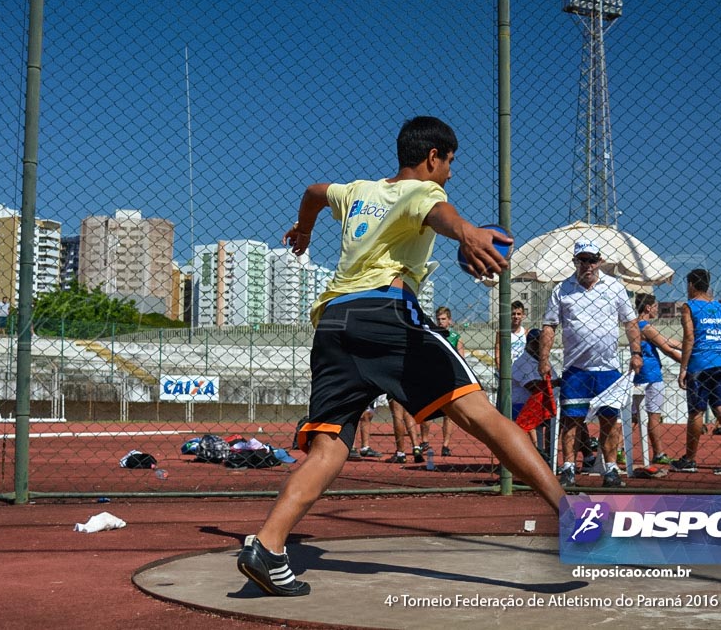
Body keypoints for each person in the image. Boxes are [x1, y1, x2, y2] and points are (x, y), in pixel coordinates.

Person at [236, 116, 564, 596]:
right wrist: (470, 233)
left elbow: (312, 191)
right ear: (433, 157)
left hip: (332, 324)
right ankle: (574, 514)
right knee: (485, 418)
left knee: (328, 447)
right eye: (450, 163)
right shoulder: (424, 194)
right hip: (385, 315)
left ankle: (267, 545)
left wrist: (303, 232)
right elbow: (442, 215)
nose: (451, 173)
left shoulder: (356, 191)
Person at [538, 239, 642, 489]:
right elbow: (550, 325)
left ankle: (611, 470)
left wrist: (636, 352)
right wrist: (544, 359)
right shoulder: (562, 290)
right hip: (575, 370)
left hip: (608, 370)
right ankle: (568, 469)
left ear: (600, 261)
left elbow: (630, 322)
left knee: (610, 421)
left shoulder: (615, 287)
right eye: (582, 260)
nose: (587, 265)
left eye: (592, 259)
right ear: (575, 262)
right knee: (571, 421)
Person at [672, 269, 721, 475]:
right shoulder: (719, 307)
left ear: (690, 285)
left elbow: (689, 338)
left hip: (700, 363)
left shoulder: (689, 307)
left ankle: (690, 459)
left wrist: (684, 368)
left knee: (696, 411)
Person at [631, 294, 681, 466]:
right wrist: (687, 361)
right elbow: (666, 347)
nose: (657, 310)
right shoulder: (645, 327)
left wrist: (689, 345)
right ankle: (658, 452)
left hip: (640, 373)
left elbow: (666, 340)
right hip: (651, 374)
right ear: (648, 308)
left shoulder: (635, 325)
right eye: (655, 306)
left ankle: (620, 448)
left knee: (633, 415)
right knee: (653, 415)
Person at [420, 306, 464, 456]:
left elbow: (461, 359)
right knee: (427, 411)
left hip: (448, 378)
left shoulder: (455, 337)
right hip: (431, 376)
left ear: (449, 321)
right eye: (438, 319)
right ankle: (424, 440)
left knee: (448, 415)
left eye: (443, 319)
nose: (440, 322)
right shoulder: (431, 335)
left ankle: (445, 445)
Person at [511, 328, 555, 450]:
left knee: (570, 418)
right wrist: (557, 382)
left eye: (541, 344)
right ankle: (542, 451)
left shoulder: (543, 361)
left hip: (540, 404)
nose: (539, 347)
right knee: (557, 417)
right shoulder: (521, 362)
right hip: (521, 405)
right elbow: (532, 386)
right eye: (536, 343)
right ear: (529, 344)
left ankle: (548, 452)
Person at [494, 300, 527, 367]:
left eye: (519, 314)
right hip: (507, 367)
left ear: (523, 315)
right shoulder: (501, 332)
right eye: (513, 314)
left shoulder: (526, 332)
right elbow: (497, 352)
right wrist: (499, 368)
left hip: (521, 368)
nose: (516, 316)